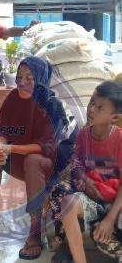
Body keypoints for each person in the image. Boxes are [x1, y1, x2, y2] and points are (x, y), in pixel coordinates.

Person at [0, 56, 67, 260]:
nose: (22, 82)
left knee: (33, 160)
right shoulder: (13, 98)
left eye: (29, 77)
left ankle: (35, 231)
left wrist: (10, 148)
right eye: (19, 77)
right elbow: (2, 129)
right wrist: (0, 144)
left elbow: (47, 147)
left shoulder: (52, 105)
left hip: (46, 164)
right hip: (18, 157)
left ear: (40, 79)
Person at [51, 80, 122, 263]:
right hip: (92, 196)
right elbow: (76, 163)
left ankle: (102, 232)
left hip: (116, 202)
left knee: (107, 233)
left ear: (114, 117)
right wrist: (85, 180)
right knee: (64, 197)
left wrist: (110, 219)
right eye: (92, 102)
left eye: (100, 108)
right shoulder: (83, 135)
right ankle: (75, 252)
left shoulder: (119, 140)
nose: (91, 109)